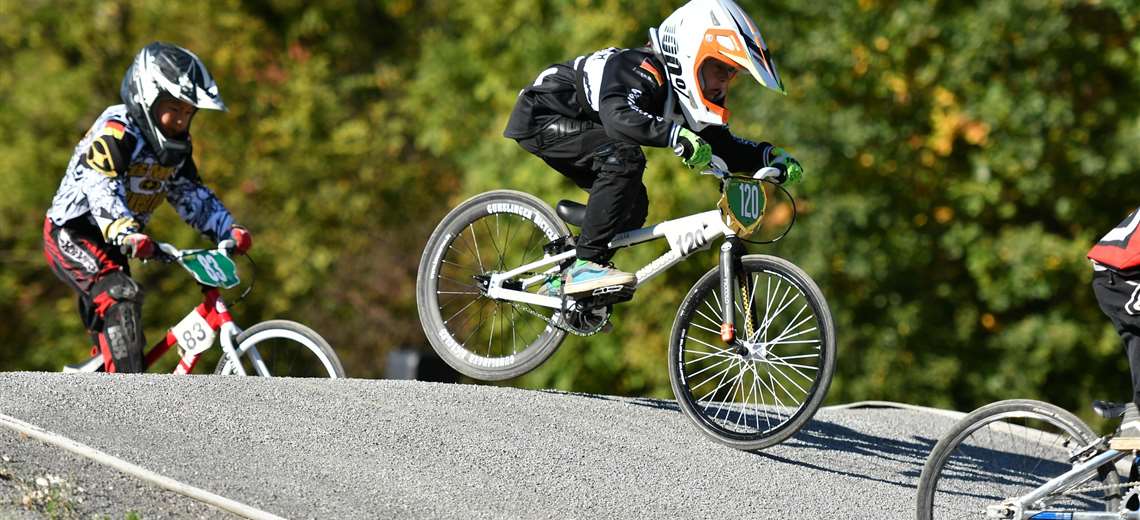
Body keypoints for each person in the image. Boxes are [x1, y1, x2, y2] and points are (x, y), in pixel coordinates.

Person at [504, 0, 803, 297]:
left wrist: (766, 155)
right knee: (625, 158)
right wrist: (674, 135)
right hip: (543, 116)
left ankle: (569, 268)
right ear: (689, 52)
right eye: (720, 69)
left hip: (581, 127)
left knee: (634, 207)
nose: (724, 83)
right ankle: (585, 265)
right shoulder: (640, 68)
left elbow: (721, 144)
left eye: (732, 74)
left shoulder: (678, 95)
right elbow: (617, 116)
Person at [42, 42, 251, 373]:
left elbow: (189, 194)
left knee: (127, 340)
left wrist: (228, 229)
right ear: (147, 98)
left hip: (116, 244)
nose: (181, 120)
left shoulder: (177, 149)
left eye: (188, 112)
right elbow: (100, 184)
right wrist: (125, 229)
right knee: (119, 296)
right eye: (174, 109)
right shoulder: (117, 130)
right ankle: (128, 409)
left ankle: (100, 397)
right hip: (73, 232)